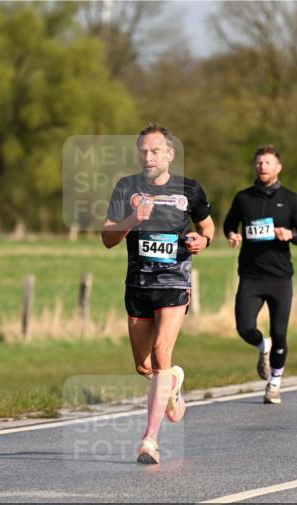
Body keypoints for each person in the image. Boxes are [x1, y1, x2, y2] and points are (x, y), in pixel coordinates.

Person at [101, 125, 215, 464]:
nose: (148, 158)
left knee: (161, 350)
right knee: (144, 365)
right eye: (143, 152)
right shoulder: (126, 187)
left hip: (174, 282)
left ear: (169, 154)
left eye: (155, 152)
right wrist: (134, 218)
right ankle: (171, 385)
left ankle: (149, 440)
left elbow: (207, 226)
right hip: (138, 284)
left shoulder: (190, 190)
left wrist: (203, 241)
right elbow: (107, 238)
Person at [223, 146, 297, 405]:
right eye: (259, 162)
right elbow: (229, 223)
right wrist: (232, 234)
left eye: (268, 163)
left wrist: (291, 235)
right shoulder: (243, 198)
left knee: (280, 332)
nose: (263, 166)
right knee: (244, 327)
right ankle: (263, 346)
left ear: (278, 168)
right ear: (255, 166)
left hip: (279, 277)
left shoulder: (291, 199)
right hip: (251, 275)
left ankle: (274, 384)